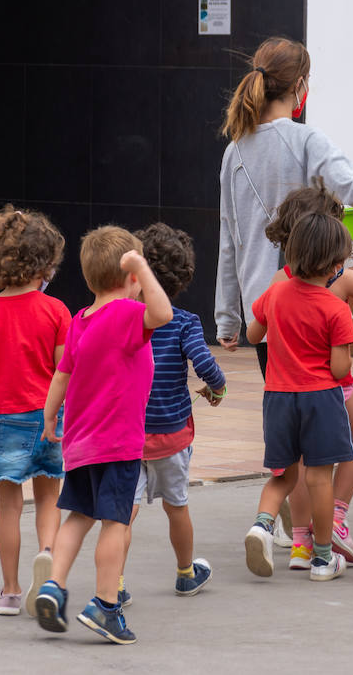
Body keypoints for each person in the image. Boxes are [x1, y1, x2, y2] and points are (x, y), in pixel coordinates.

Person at [214, 36, 353, 357]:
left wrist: (227, 319)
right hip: (314, 303)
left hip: (265, 312)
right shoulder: (305, 139)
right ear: (299, 85)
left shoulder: (234, 152)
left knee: (281, 400)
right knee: (323, 398)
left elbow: (230, 239)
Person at [34, 227, 173, 645]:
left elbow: (61, 375)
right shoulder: (130, 316)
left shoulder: (82, 320)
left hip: (81, 441)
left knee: (79, 515)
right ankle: (105, 606)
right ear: (132, 278)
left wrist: (49, 416)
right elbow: (163, 313)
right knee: (115, 521)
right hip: (117, 443)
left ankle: (53, 586)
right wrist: (143, 265)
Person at [262, 180, 353, 568]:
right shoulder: (344, 279)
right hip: (333, 387)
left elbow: (261, 331)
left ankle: (303, 544)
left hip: (286, 390)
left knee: (299, 466)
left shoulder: (278, 282)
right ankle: (335, 519)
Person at [0, 205, 70, 617]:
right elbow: (65, 368)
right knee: (49, 499)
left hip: (4, 420)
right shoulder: (57, 311)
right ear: (45, 264)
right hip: (49, 418)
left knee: (8, 507)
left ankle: (9, 591)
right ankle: (49, 564)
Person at [242, 213, 353, 582]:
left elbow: (253, 334)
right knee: (320, 479)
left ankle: (262, 525)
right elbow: (340, 370)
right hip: (320, 399)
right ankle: (322, 559)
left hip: (277, 397)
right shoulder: (336, 309)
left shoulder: (275, 293)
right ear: (335, 265)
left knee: (283, 475)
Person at [121, 223, 227, 600]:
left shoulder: (124, 317)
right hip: (172, 434)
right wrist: (217, 387)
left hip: (128, 434)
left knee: (124, 512)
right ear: (184, 277)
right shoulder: (184, 322)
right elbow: (205, 363)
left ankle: (113, 585)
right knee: (176, 506)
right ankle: (185, 573)